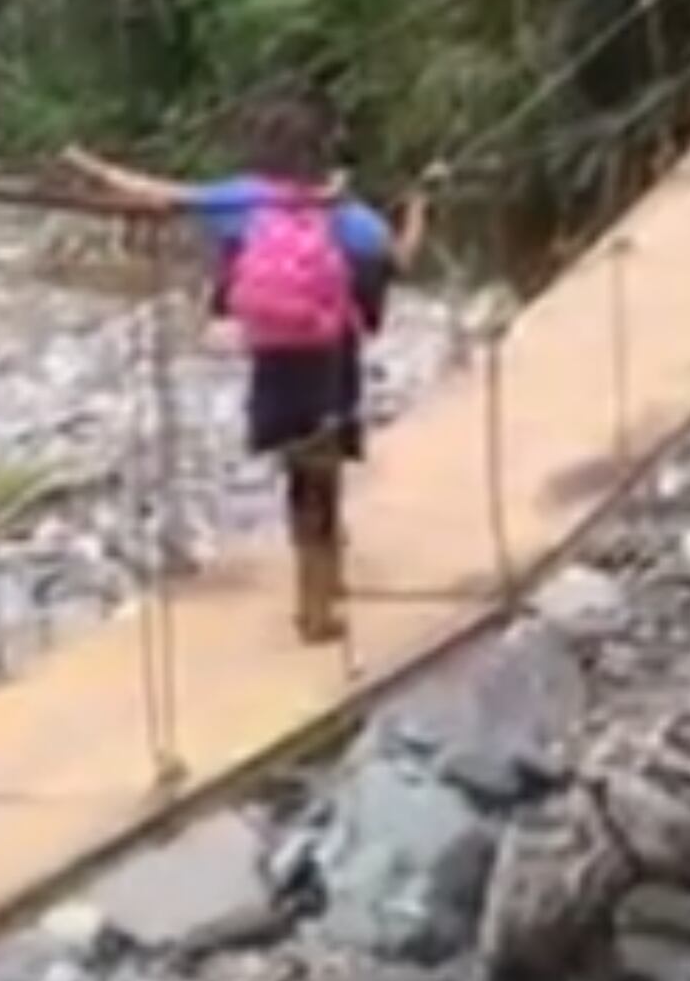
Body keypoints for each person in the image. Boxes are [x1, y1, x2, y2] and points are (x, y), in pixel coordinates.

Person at [60, 98, 430, 643]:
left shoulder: (242, 200)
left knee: (297, 473)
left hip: (275, 356)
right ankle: (320, 600)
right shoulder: (345, 213)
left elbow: (159, 194)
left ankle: (318, 581)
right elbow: (398, 260)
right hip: (331, 354)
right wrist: (420, 207)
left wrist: (87, 166)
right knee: (321, 473)